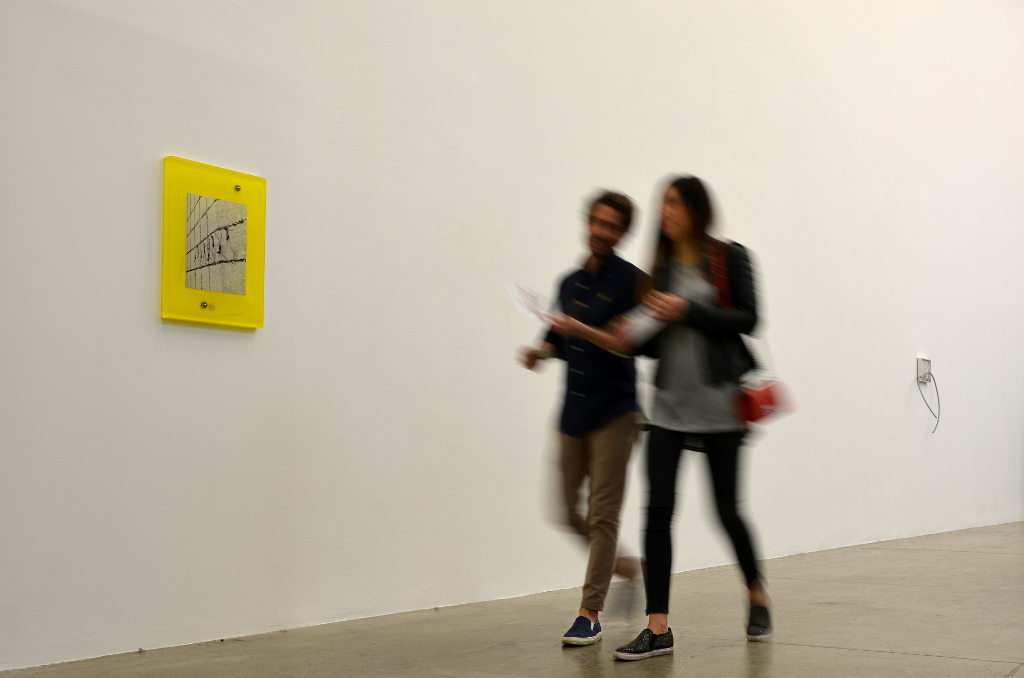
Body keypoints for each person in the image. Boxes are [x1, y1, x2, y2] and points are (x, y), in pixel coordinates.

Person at [611, 176, 772, 662]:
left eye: (675, 202)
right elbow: (654, 343)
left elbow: (748, 318)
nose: (665, 210)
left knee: (726, 511)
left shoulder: (728, 258)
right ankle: (658, 627)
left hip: (720, 408)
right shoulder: (658, 270)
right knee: (658, 512)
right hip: (667, 408)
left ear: (697, 209)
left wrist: (687, 308)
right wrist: (633, 331)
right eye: (662, 203)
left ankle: (756, 592)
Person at [520, 190, 648, 646]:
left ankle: (589, 613)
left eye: (612, 226)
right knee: (564, 510)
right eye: (597, 222)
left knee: (602, 515)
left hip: (616, 412)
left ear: (623, 233)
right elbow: (555, 336)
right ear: (587, 223)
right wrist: (539, 353)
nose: (601, 231)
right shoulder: (570, 282)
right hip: (573, 412)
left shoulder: (635, 283)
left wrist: (582, 330)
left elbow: (628, 343)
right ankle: (628, 567)